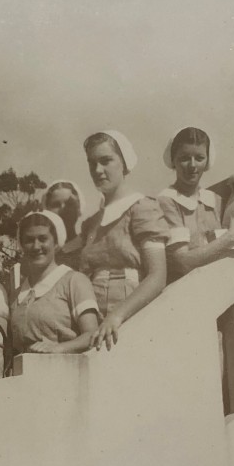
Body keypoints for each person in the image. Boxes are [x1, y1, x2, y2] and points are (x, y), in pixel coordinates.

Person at [77, 130, 170, 350]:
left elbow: (158, 276)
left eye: (106, 160)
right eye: (92, 163)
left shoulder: (142, 208)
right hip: (95, 324)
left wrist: (117, 316)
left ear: (124, 163)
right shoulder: (90, 223)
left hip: (130, 320)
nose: (98, 170)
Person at [157, 127, 234, 281]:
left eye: (199, 158)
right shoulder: (166, 201)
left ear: (207, 161)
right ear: (173, 160)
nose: (192, 165)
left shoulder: (215, 200)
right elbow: (182, 263)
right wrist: (228, 240)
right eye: (184, 158)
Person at [10, 210, 100, 355]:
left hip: (64, 370)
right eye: (29, 240)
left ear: (56, 243)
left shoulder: (74, 280)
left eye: (43, 239)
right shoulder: (17, 293)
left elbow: (92, 335)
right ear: (21, 245)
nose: (36, 246)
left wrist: (57, 348)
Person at [42, 179, 87, 270]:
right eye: (56, 205)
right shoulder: (40, 252)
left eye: (69, 204)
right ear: (46, 209)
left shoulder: (89, 247)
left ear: (78, 208)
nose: (63, 209)